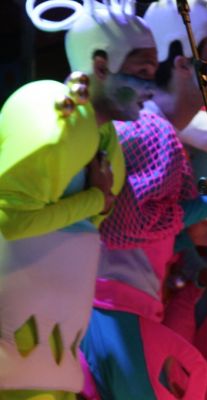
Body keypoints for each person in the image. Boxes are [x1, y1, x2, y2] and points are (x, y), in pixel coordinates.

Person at [0, 0, 156, 395]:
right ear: (101, 66)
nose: (150, 88)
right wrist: (94, 200)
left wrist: (94, 203)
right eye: (142, 73)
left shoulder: (105, 140)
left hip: (57, 368)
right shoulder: (54, 122)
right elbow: (10, 220)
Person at [79, 1, 207, 397]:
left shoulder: (155, 131)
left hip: (122, 306)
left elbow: (144, 227)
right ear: (182, 64)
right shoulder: (146, 129)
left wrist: (192, 247)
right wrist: (206, 205)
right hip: (115, 306)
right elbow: (129, 223)